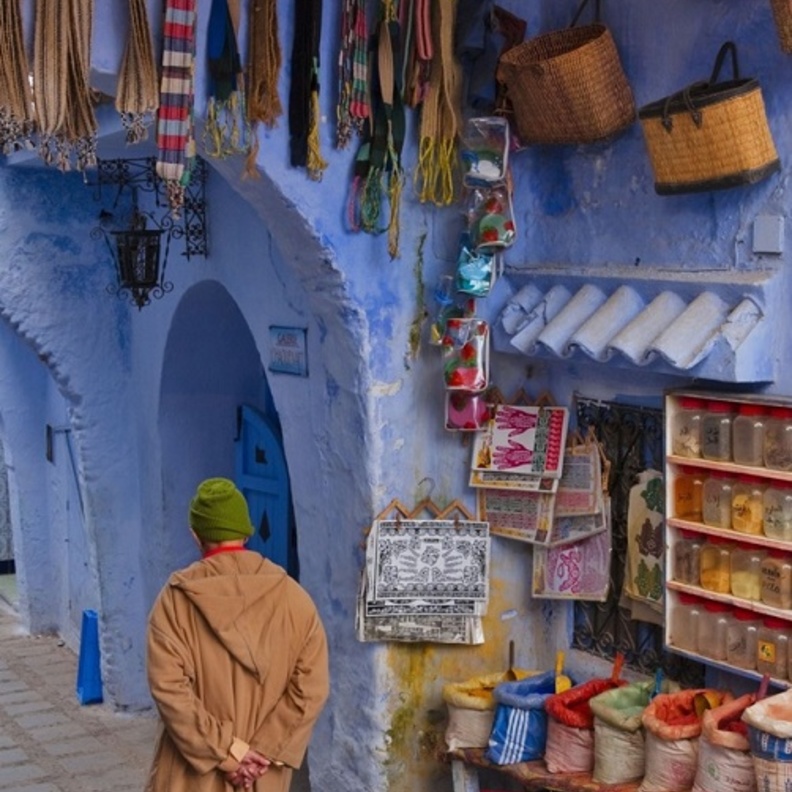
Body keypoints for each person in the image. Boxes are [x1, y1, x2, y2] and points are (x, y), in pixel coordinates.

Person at [145, 477, 329, 791]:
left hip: (193, 774)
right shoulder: (295, 599)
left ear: (195, 535)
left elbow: (170, 690)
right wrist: (262, 751)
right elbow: (311, 688)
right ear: (246, 532)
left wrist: (230, 754)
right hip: (262, 774)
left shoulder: (174, 601)